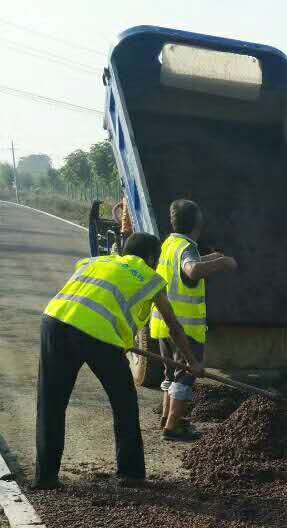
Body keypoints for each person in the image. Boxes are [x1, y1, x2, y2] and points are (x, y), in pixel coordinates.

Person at [34, 234, 201, 490]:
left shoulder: (94, 261)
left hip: (54, 321)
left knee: (51, 402)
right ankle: (131, 473)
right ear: (151, 258)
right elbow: (174, 327)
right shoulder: (151, 278)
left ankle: (45, 478)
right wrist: (192, 362)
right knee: (124, 402)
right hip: (99, 335)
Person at [150, 199, 238, 440]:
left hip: (162, 324)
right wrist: (222, 263)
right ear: (198, 223)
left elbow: (185, 265)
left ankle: (166, 418)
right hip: (184, 327)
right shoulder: (188, 248)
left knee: (171, 374)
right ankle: (172, 427)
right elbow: (192, 270)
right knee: (185, 376)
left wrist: (210, 257)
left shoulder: (170, 243)